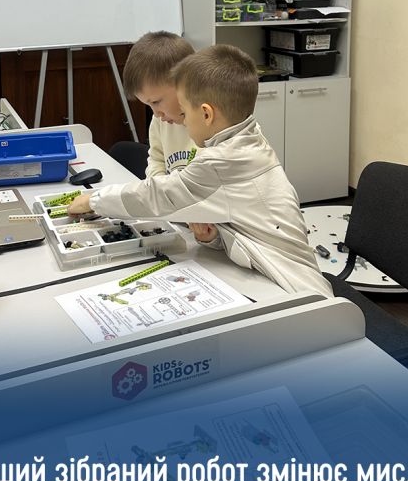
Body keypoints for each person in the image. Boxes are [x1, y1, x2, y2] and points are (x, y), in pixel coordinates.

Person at [69, 44, 332, 297]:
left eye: (184, 113)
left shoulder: (222, 162)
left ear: (206, 114)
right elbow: (249, 231)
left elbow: (158, 196)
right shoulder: (247, 140)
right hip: (269, 278)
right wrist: (213, 238)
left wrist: (95, 200)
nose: (180, 122)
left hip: (300, 293)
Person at [122, 31, 196, 178]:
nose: (156, 114)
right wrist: (158, 184)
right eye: (149, 105)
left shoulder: (214, 125)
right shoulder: (160, 120)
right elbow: (156, 160)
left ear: (185, 83)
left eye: (156, 102)